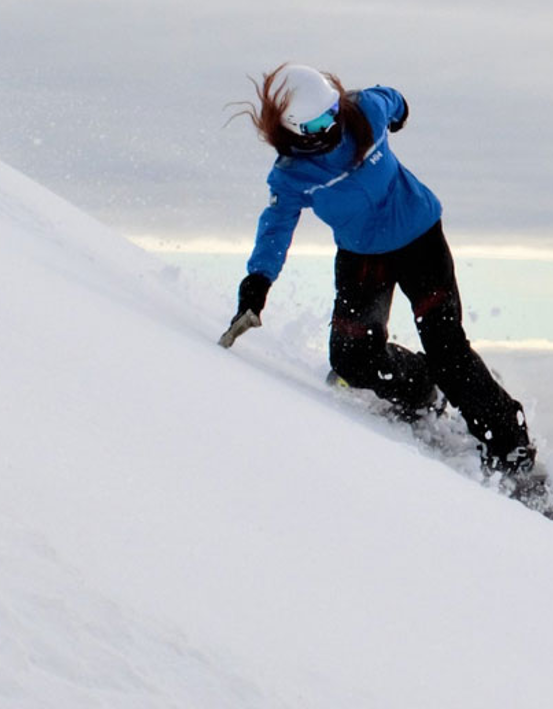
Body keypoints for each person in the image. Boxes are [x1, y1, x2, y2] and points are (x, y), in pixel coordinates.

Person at [221, 63, 536, 478]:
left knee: (448, 350)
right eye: (319, 120)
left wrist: (400, 111)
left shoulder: (363, 111)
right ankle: (422, 389)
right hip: (364, 259)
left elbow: (394, 99)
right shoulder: (293, 176)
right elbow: (275, 228)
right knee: (351, 361)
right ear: (296, 128)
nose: (332, 122)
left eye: (333, 110)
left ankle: (513, 455)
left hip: (421, 238)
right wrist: (257, 284)